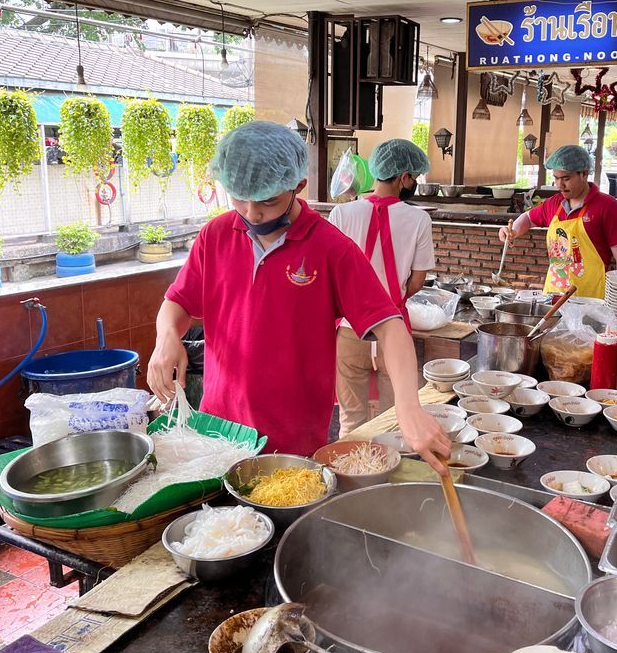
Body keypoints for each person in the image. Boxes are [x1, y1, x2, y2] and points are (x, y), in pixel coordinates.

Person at [147, 121, 450, 474]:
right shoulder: (216, 235)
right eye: (238, 197)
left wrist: (408, 407)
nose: (250, 212)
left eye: (267, 200)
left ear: (298, 186)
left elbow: (390, 327)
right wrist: (166, 337)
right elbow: (178, 301)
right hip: (220, 432)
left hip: (293, 444)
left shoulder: (330, 248)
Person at [329, 139, 435, 435]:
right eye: (413, 176)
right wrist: (391, 299)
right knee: (395, 419)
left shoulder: (341, 214)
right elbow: (417, 281)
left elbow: (332, 278)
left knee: (351, 421)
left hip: (350, 331)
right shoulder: (419, 219)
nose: (413, 182)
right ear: (403, 177)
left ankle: (354, 476)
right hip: (394, 334)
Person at [498, 145, 617, 298]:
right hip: (553, 296)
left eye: (566, 179)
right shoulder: (555, 203)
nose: (559, 185)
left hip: (592, 300)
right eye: (556, 178)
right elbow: (528, 218)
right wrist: (513, 231)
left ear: (584, 174)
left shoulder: (608, 207)